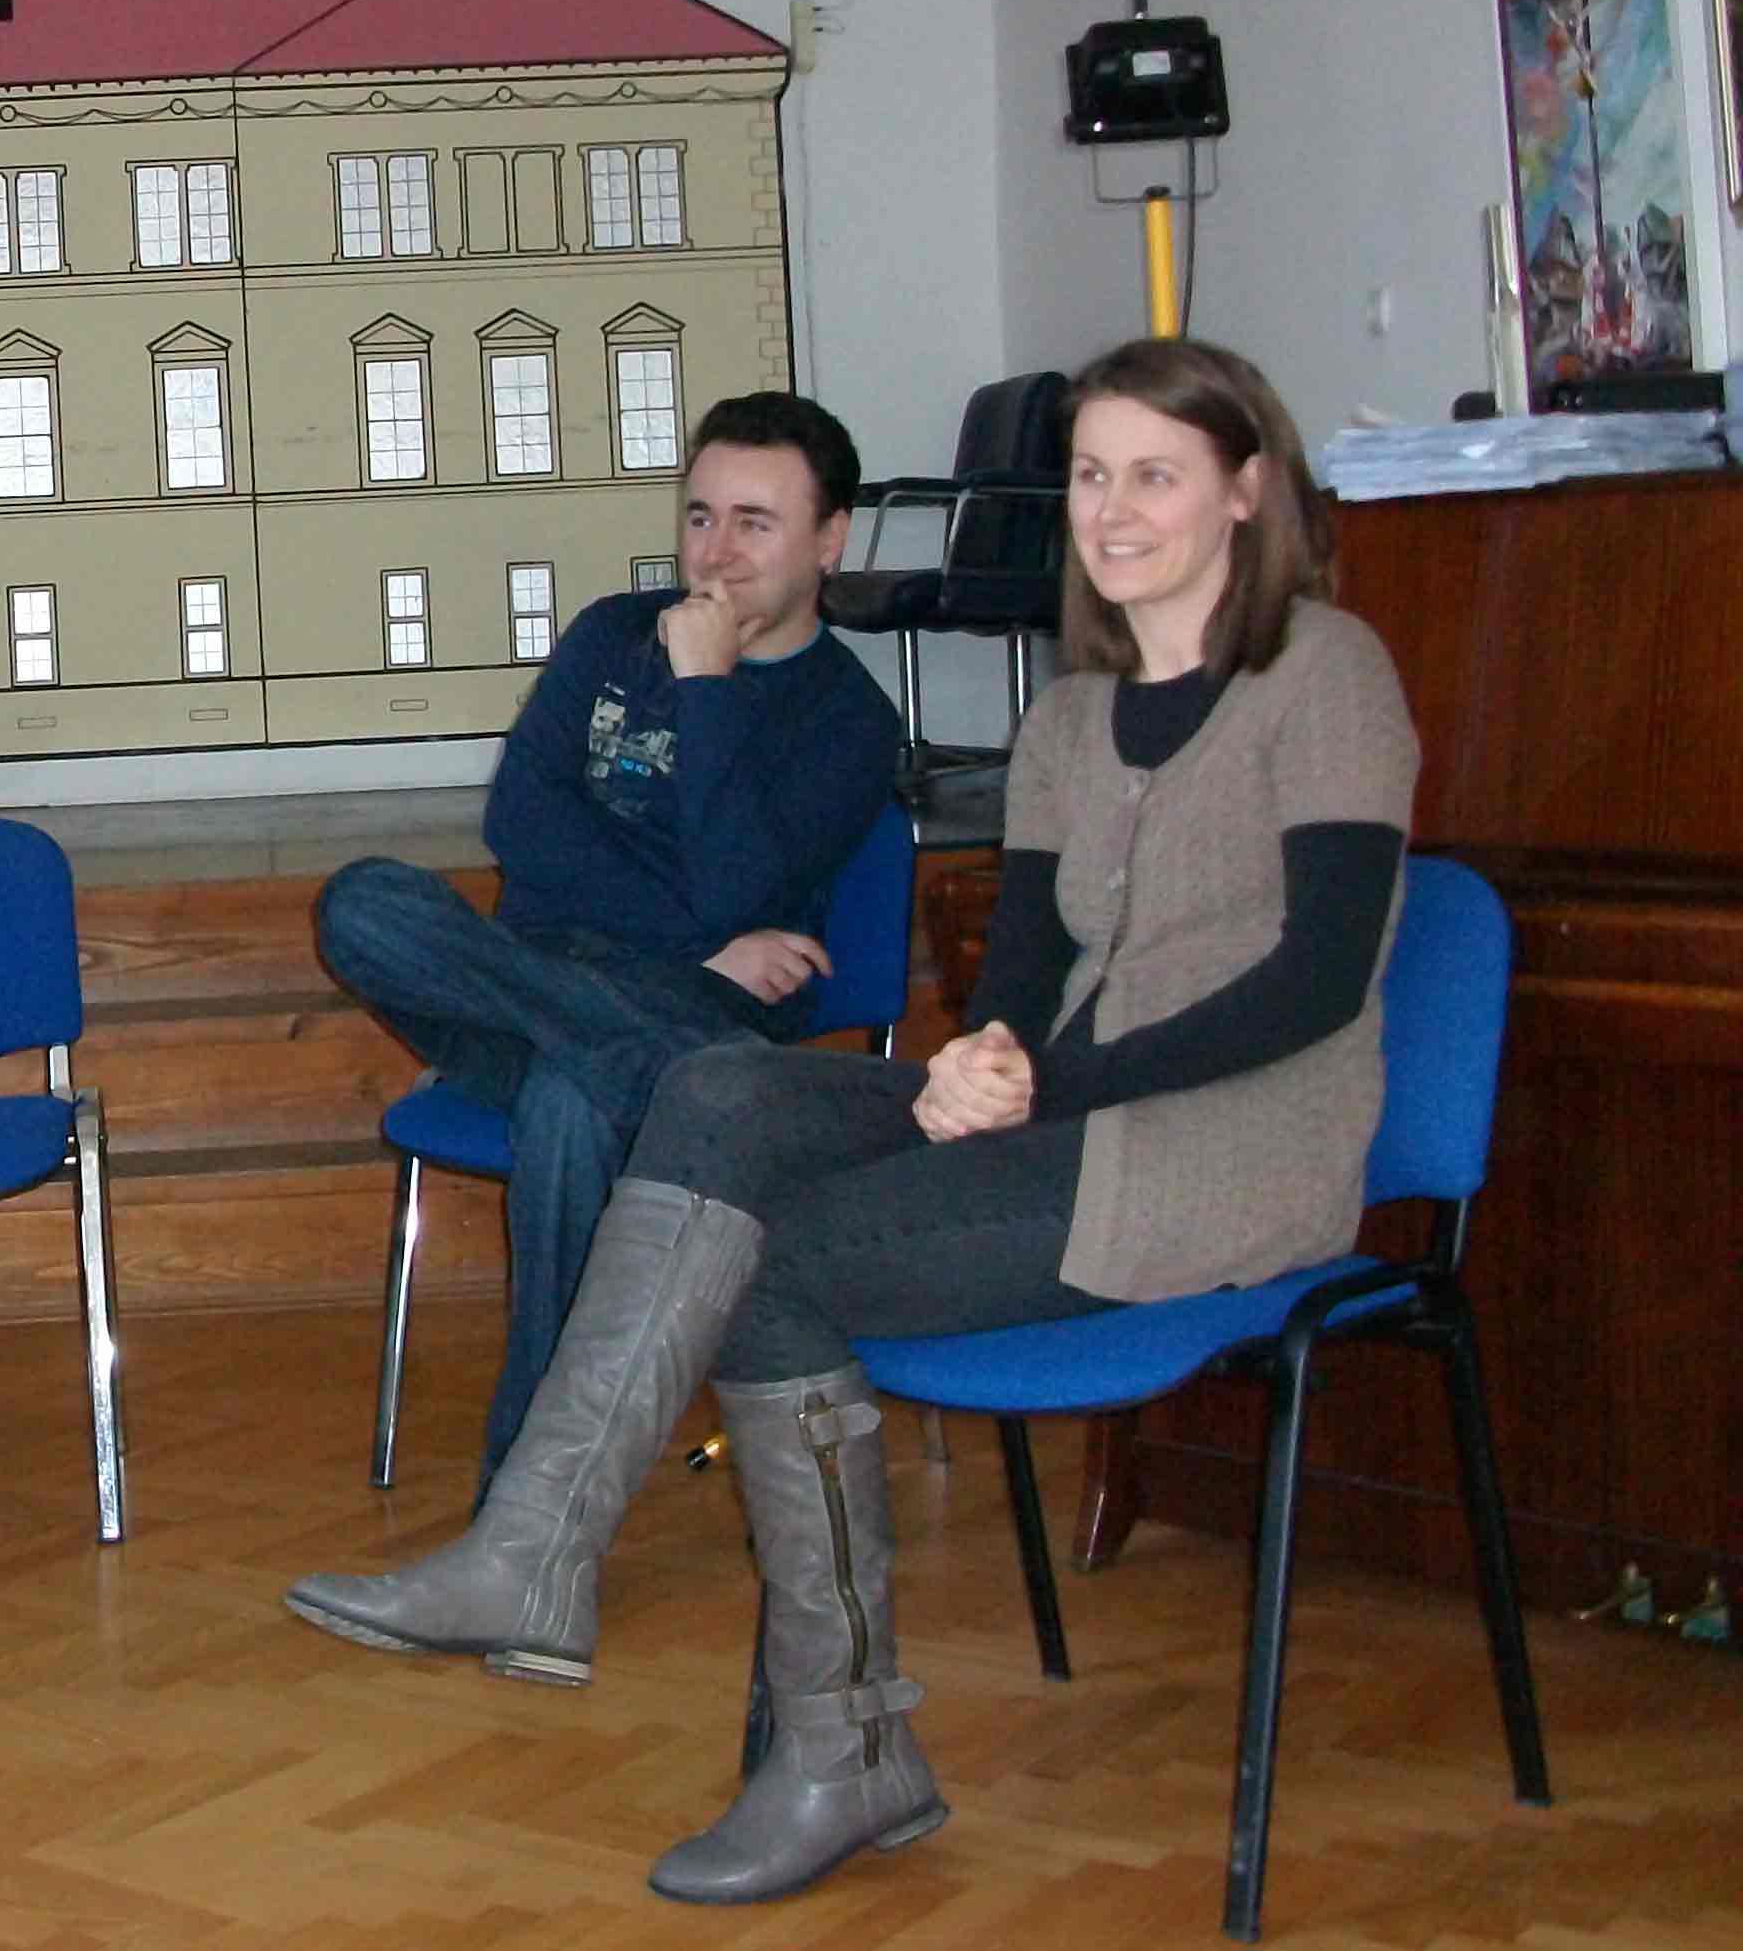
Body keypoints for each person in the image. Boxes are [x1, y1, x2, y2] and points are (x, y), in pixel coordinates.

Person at [298, 335, 1417, 1907]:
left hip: (1229, 1155)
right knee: (714, 1088)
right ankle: (545, 1556)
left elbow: (1315, 980)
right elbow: (1021, 976)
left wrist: (1035, 1081)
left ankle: (829, 1743)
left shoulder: (1327, 673)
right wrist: (981, 1059)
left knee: (761, 1256)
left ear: (1246, 492)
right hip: (1058, 1121)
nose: (1110, 510)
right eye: (1090, 475)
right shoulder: (1071, 721)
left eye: (1152, 476)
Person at [289, 389, 900, 1592]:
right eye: (700, 517)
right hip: (567, 995)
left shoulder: (848, 722)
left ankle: (518, 1538)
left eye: (755, 524)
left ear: (830, 540)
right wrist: (696, 945)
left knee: (571, 1104)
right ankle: (642, 1063)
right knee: (362, 904)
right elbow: (522, 826)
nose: (716, 554)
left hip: (686, 1018)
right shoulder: (610, 635)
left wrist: (708, 688)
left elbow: (741, 886)